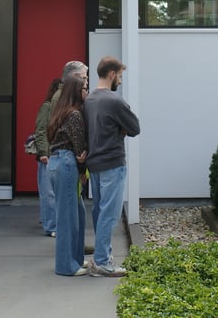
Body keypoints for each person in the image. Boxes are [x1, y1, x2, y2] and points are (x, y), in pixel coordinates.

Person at [83, 56, 140, 277]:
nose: (121, 81)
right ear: (112, 74)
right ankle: (102, 264)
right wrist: (121, 129)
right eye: (120, 76)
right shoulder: (115, 101)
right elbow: (135, 128)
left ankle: (102, 257)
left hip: (94, 164)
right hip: (112, 163)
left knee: (100, 212)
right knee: (110, 214)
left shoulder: (89, 99)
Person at [46, 73, 89, 276]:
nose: (87, 92)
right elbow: (79, 148)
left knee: (76, 213)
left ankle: (76, 259)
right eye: (85, 88)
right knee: (67, 217)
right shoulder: (75, 115)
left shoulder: (60, 112)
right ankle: (66, 266)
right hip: (66, 163)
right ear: (76, 91)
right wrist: (83, 171)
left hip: (56, 162)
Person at [34, 77, 62, 237]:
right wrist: (44, 153)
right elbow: (40, 131)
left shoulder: (58, 109)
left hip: (55, 155)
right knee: (48, 193)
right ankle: (51, 226)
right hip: (48, 156)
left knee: (52, 193)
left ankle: (51, 223)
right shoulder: (47, 107)